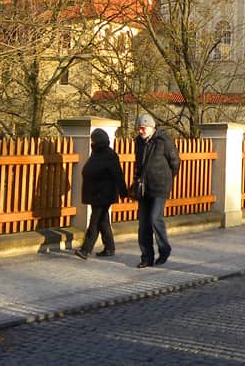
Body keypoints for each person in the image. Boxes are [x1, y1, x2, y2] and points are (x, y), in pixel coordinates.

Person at [133, 113, 180, 268]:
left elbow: (175, 162)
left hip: (160, 186)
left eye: (143, 128)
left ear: (151, 127)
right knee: (143, 224)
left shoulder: (163, 140)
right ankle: (146, 257)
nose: (140, 131)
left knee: (155, 218)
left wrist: (166, 177)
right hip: (144, 187)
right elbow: (138, 164)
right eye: (139, 128)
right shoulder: (138, 142)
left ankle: (164, 249)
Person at [75, 128, 127, 260]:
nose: (92, 142)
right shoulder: (96, 153)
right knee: (103, 221)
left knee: (94, 222)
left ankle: (85, 250)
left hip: (104, 194)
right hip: (96, 193)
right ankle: (109, 248)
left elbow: (118, 175)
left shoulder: (109, 155)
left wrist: (123, 192)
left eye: (93, 139)